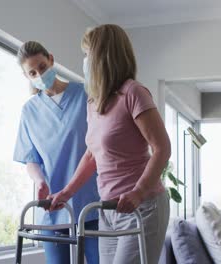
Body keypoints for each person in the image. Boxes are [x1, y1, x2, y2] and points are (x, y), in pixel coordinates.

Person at [49, 24, 171, 264]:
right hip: (108, 209)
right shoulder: (94, 102)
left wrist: (139, 191)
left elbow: (162, 148)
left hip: (143, 206)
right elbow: (92, 155)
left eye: (87, 55)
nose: (84, 61)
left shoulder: (133, 93)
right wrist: (67, 192)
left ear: (104, 57)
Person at [13, 41, 100, 264]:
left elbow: (98, 147)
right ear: (26, 76)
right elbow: (31, 158)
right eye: (32, 72)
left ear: (51, 59)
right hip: (52, 207)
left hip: (90, 203)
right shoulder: (29, 111)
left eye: (42, 67)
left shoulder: (85, 95)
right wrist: (40, 181)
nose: (39, 74)